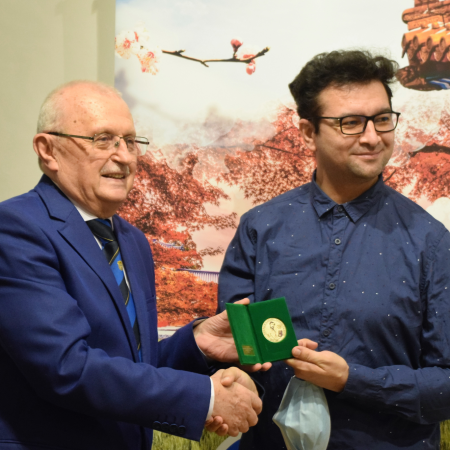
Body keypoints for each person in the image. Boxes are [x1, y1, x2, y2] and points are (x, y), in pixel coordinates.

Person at [0, 80, 264, 450]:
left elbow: (132, 363)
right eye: (103, 140)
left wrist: (198, 344)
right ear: (48, 150)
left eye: (130, 141)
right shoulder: (15, 228)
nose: (124, 157)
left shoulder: (132, 241)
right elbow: (65, 367)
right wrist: (204, 397)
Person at [218, 50, 450, 449]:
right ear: (308, 132)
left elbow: (445, 384)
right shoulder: (260, 228)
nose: (372, 137)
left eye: (382, 119)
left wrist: (351, 379)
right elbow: (233, 347)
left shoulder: (430, 241)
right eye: (350, 123)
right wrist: (236, 374)